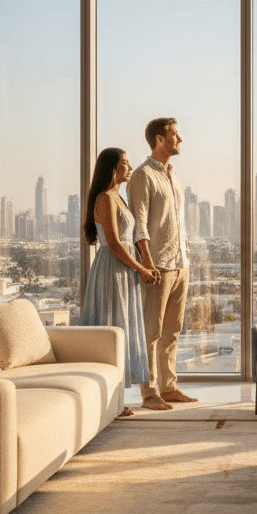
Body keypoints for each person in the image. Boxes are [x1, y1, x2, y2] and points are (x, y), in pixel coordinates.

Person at [81, 147, 161, 415]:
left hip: (123, 271)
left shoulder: (118, 197)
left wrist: (144, 266)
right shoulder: (105, 198)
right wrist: (141, 268)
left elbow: (128, 239)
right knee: (113, 329)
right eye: (124, 163)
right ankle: (110, 403)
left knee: (122, 329)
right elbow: (115, 244)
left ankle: (114, 401)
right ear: (112, 169)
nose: (129, 167)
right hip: (113, 271)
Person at [128, 117, 198, 410]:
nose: (179, 140)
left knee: (173, 329)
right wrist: (147, 263)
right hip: (158, 265)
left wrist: (185, 256)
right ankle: (148, 393)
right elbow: (139, 225)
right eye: (174, 135)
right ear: (159, 139)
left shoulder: (173, 174)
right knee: (151, 331)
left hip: (180, 261)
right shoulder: (143, 175)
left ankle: (169, 387)